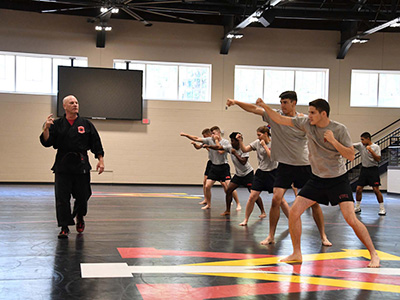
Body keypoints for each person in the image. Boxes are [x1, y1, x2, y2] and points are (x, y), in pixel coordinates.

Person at [255, 97, 380, 268]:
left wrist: (334, 141)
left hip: (337, 179)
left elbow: (351, 155)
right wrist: (264, 107)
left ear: (323, 113)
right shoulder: (307, 124)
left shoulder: (339, 129)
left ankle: (373, 254)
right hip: (316, 179)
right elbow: (281, 119)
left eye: (312, 112)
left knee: (350, 218)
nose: (309, 115)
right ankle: (297, 253)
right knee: (294, 212)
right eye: (309, 112)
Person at [226, 92, 331, 246]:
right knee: (276, 199)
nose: (282, 105)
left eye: (285, 102)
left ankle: (323, 235)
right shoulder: (274, 116)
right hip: (284, 166)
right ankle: (270, 236)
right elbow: (254, 109)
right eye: (281, 102)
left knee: (313, 202)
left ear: (294, 103)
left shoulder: (302, 119)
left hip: (303, 165)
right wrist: (235, 101)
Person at [40, 95, 105, 239]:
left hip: (81, 164)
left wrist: (100, 159)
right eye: (71, 103)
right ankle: (64, 227)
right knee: (62, 198)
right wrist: (46, 128)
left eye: (76, 102)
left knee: (83, 196)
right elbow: (47, 142)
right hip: (63, 165)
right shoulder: (57, 124)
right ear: (64, 106)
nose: (75, 104)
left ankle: (79, 216)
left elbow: (96, 142)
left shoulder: (86, 124)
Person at [203, 132, 264, 216]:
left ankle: (263, 211)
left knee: (253, 193)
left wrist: (235, 153)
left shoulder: (244, 149)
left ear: (238, 141)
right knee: (229, 190)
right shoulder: (230, 147)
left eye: (233, 141)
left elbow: (243, 162)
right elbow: (219, 147)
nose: (231, 143)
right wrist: (209, 146)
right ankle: (228, 210)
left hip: (247, 173)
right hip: (238, 175)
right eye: (231, 141)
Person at [180, 126, 235, 210]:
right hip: (213, 164)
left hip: (223, 165)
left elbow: (220, 151)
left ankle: (235, 202)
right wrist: (186, 135)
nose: (212, 135)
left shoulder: (225, 142)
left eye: (214, 133)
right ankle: (208, 203)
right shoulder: (209, 140)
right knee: (207, 185)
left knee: (227, 185)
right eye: (212, 134)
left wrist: (215, 142)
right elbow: (196, 139)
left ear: (219, 133)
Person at [236, 126, 279, 226]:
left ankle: (290, 218)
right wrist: (240, 141)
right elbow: (245, 150)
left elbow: (272, 158)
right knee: (252, 197)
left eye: (259, 135)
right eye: (257, 135)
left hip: (273, 173)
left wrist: (264, 146)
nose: (258, 137)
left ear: (265, 134)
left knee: (279, 200)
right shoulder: (257, 143)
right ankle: (246, 219)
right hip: (261, 172)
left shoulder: (274, 143)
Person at [353, 132, 386, 215]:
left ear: (368, 139)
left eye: (363, 140)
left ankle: (382, 208)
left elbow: (378, 159)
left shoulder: (375, 147)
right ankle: (357, 207)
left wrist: (371, 151)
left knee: (376, 190)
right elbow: (350, 145)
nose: (361, 141)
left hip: (373, 170)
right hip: (364, 170)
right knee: (358, 189)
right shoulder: (361, 146)